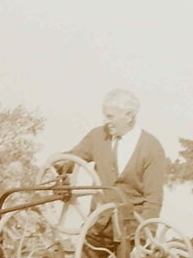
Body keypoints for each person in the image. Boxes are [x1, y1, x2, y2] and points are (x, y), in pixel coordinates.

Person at [68, 88, 166, 221]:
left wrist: (144, 235)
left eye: (110, 117)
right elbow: (70, 160)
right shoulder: (97, 136)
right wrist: (57, 171)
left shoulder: (152, 148)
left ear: (129, 116)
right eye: (104, 116)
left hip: (131, 232)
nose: (105, 121)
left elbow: (153, 199)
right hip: (96, 229)